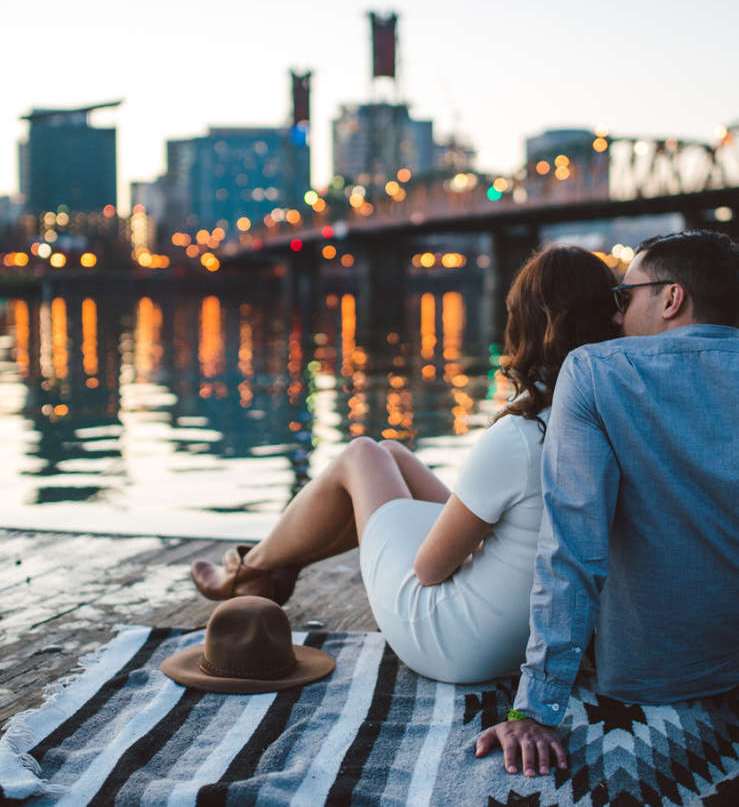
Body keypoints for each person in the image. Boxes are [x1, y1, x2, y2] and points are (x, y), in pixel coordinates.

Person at [190, 245, 618, 683]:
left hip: (453, 643)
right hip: (526, 637)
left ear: (525, 326)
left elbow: (429, 568)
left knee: (363, 455)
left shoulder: (521, 437)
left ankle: (254, 570)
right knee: (390, 454)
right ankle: (281, 561)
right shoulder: (606, 420)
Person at [475, 229, 739, 776]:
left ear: (671, 298)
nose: (616, 317)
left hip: (654, 674)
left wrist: (535, 707)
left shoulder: (598, 372)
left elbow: (573, 548)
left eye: (626, 297)